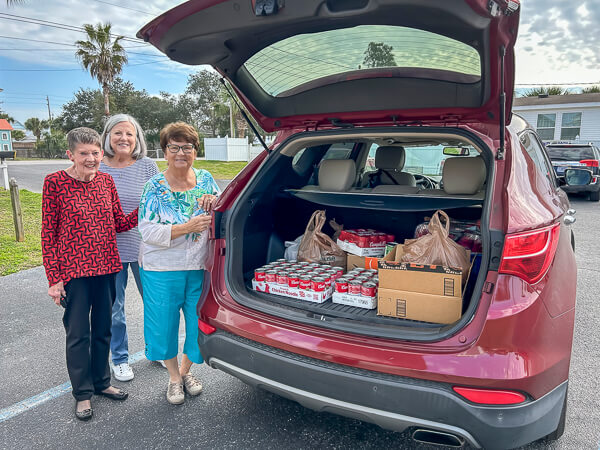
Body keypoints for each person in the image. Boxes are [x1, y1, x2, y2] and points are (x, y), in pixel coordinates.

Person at [42, 127, 137, 421]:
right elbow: (49, 233)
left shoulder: (106, 181)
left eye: (96, 153)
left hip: (107, 267)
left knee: (104, 330)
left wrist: (145, 207)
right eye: (84, 153)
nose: (92, 159)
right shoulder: (55, 183)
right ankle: (82, 394)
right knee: (78, 334)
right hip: (73, 273)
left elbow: (119, 222)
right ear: (71, 154)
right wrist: (54, 279)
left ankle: (101, 382)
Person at [138, 122, 220, 405]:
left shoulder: (207, 179)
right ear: (165, 151)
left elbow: (223, 209)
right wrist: (186, 227)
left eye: (187, 147)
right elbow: (147, 231)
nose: (181, 153)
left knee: (198, 323)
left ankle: (186, 372)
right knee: (164, 325)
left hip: (198, 266)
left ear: (196, 151)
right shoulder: (154, 187)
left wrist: (215, 199)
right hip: (162, 268)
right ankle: (173, 378)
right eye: (174, 147)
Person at [99, 114, 159, 381]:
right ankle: (120, 358)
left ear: (137, 139)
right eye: (117, 133)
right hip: (109, 250)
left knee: (155, 303)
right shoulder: (97, 166)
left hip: (146, 248)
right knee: (115, 307)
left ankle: (157, 349)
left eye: (129, 134)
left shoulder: (147, 166)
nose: (124, 138)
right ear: (108, 137)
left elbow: (161, 202)